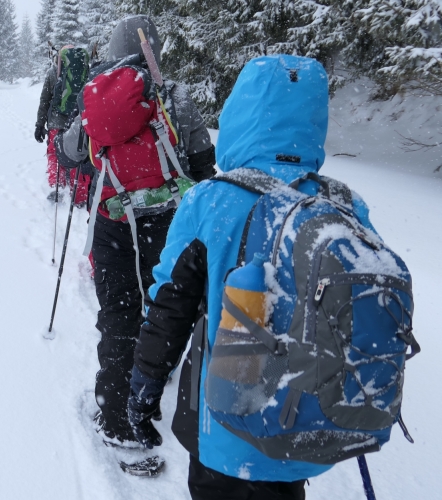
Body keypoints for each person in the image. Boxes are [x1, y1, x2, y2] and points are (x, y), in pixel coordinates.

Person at [126, 55, 382, 498]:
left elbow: (170, 307)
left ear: (240, 114)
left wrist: (145, 385)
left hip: (220, 424)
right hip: (304, 421)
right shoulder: (344, 204)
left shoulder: (210, 201)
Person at [56, 15, 216, 448]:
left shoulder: (98, 98)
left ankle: (115, 416)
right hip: (167, 224)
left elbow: (70, 154)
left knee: (118, 315)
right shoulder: (173, 96)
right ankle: (151, 384)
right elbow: (203, 165)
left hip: (112, 222)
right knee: (161, 304)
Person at [35, 50, 90, 206]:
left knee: (54, 152)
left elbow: (45, 100)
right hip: (78, 119)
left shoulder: (53, 72)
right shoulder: (85, 69)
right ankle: (78, 194)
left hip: (56, 121)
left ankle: (57, 186)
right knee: (76, 154)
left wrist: (40, 123)